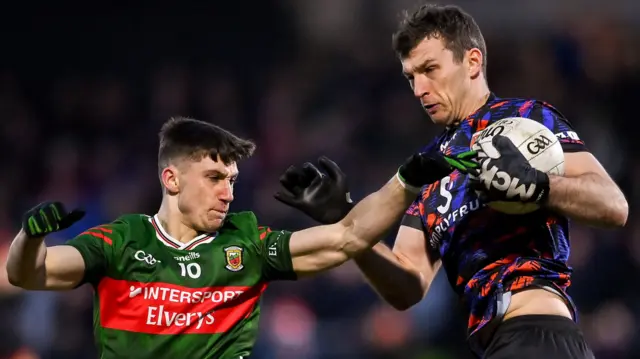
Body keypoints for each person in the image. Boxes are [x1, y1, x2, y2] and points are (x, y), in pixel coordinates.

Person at [273, 4, 628, 359]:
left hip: (538, 333)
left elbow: (613, 206)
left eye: (430, 69)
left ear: (472, 62)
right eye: (411, 77)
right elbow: (406, 287)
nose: (419, 89)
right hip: (488, 346)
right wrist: (347, 219)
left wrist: (538, 184)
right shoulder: (428, 170)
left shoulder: (525, 119)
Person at [5, 116, 475, 359]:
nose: (228, 191)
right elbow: (28, 273)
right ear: (171, 180)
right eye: (214, 177)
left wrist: (408, 178)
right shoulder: (120, 241)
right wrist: (30, 235)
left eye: (231, 178)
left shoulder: (246, 241)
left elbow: (348, 238)